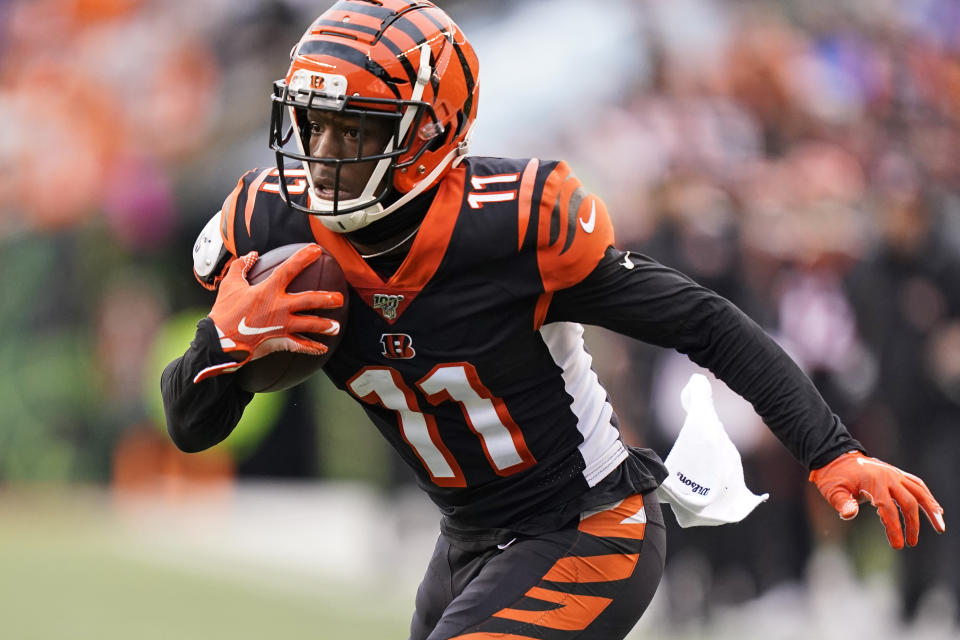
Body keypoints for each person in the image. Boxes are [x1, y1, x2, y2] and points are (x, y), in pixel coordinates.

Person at [160, 2, 946, 638]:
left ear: (430, 130)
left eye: (357, 129)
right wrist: (219, 344)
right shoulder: (274, 232)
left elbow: (702, 320)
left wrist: (831, 451)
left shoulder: (511, 227)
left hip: (589, 527)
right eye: (314, 124)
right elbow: (191, 427)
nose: (323, 152)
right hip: (466, 543)